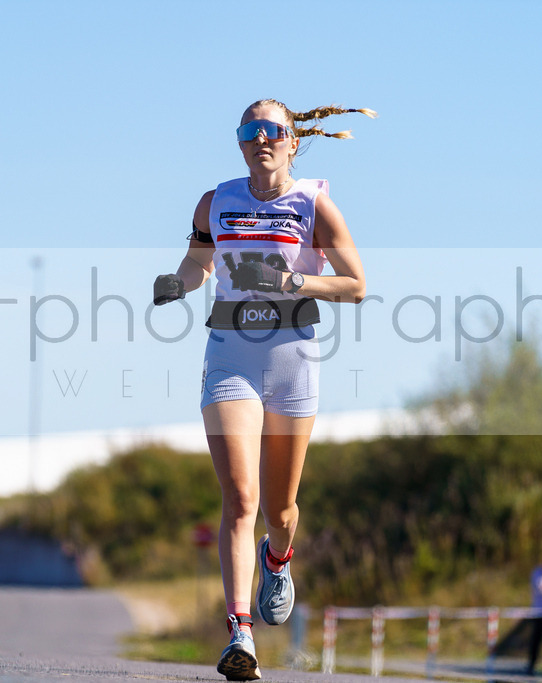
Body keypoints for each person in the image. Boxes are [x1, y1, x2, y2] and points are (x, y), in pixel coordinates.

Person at [153, 99, 374, 681]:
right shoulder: (216, 201)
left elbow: (356, 285)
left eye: (274, 130)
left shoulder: (313, 204)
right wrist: (177, 282)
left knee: (279, 510)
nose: (262, 138)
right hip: (231, 354)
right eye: (250, 130)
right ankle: (240, 634)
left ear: (293, 141)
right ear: (240, 142)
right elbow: (199, 263)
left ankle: (277, 558)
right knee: (240, 498)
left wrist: (292, 279)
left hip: (293, 357)